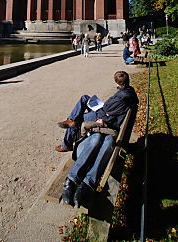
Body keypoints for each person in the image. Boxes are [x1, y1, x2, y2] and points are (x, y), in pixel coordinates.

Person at [59, 71, 138, 207]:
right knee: (85, 102)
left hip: (103, 122)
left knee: (84, 127)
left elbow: (109, 111)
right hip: (106, 123)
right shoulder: (128, 93)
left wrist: (103, 118)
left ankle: (77, 177)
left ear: (117, 82)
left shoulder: (122, 96)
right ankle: (73, 180)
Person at [55, 70, 138, 152]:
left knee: (78, 118)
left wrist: (98, 107)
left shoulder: (121, 97)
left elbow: (107, 111)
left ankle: (66, 145)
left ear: (118, 83)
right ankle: (71, 120)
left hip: (103, 117)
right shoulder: (128, 90)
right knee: (84, 98)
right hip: (104, 112)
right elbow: (111, 108)